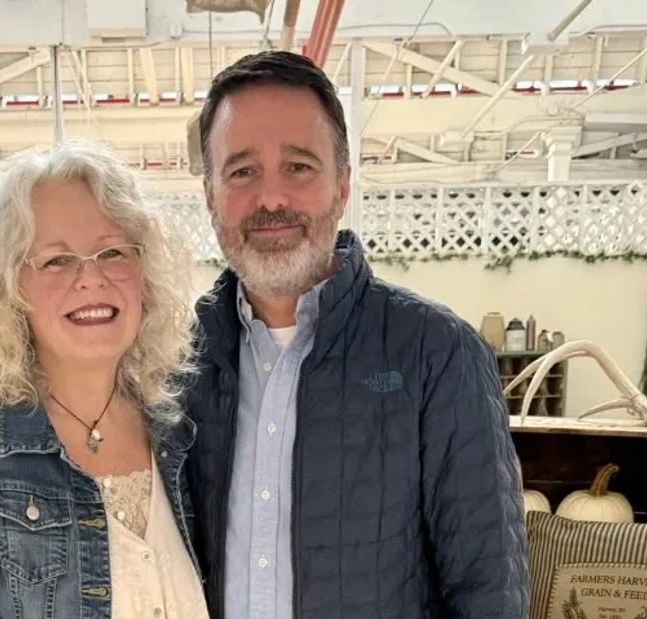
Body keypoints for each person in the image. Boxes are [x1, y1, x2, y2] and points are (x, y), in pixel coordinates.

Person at [184, 51, 529, 618]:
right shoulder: (176, 363)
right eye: (242, 171)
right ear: (209, 195)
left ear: (342, 185)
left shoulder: (436, 354)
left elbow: (487, 589)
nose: (271, 199)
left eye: (299, 166)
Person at [0, 141, 209, 619]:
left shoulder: (180, 420)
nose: (91, 278)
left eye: (113, 252)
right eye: (56, 260)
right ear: (9, 286)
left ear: (145, 273)